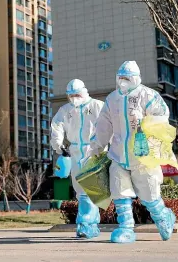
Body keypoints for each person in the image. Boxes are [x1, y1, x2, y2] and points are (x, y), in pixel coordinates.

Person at [88, 60, 176, 243]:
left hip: (143, 155)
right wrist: (96, 146)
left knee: (149, 194)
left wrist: (146, 123)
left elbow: (162, 117)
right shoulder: (112, 99)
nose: (123, 81)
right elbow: (104, 125)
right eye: (120, 78)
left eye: (127, 78)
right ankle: (126, 228)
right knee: (120, 192)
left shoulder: (148, 95)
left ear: (136, 78)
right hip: (118, 154)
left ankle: (163, 218)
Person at [51, 79, 105, 239]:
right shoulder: (65, 110)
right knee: (81, 191)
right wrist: (58, 144)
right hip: (74, 152)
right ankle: (91, 225)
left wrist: (105, 144)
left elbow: (109, 125)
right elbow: (57, 126)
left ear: (84, 91)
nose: (74, 97)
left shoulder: (97, 106)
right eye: (71, 95)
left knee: (91, 189)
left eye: (77, 94)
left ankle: (85, 224)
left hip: (94, 150)